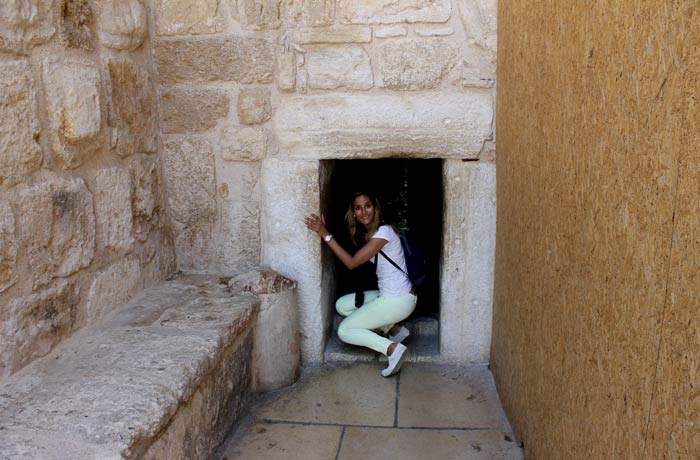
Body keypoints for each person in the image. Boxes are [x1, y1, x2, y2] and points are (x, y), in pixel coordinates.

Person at [304, 192, 417, 377]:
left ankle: (392, 349)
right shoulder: (371, 235)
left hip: (399, 300)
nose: (364, 211)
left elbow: (351, 262)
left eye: (368, 205)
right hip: (392, 296)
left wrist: (325, 234)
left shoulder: (384, 232)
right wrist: (326, 228)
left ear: (376, 208)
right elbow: (349, 251)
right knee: (343, 305)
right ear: (354, 213)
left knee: (345, 330)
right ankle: (395, 330)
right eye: (358, 207)